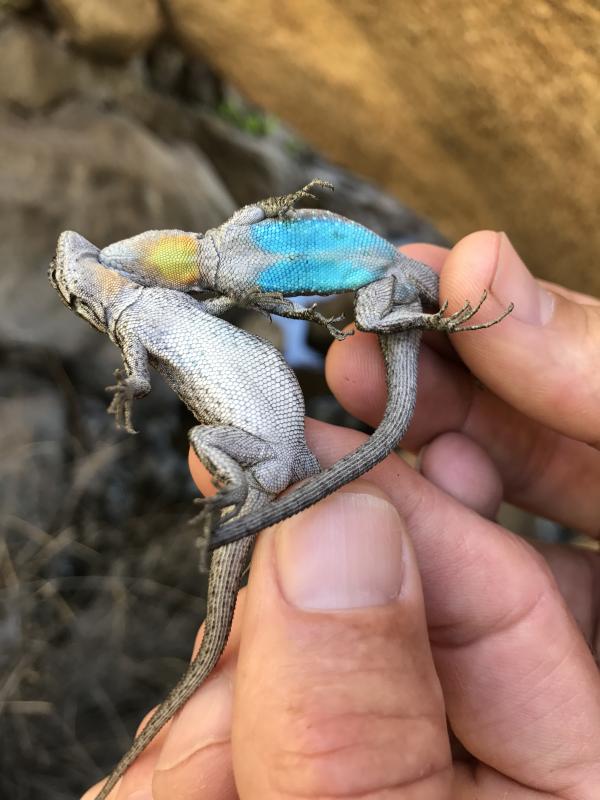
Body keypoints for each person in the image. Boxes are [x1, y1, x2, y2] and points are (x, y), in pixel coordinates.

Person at [84, 231, 600, 800]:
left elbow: (220, 302)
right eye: (79, 274)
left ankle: (239, 503)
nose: (87, 261)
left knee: (271, 569)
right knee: (221, 454)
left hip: (279, 438)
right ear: (90, 302)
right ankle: (233, 496)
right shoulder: (130, 320)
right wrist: (132, 385)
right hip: (265, 444)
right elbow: (141, 370)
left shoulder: (163, 296)